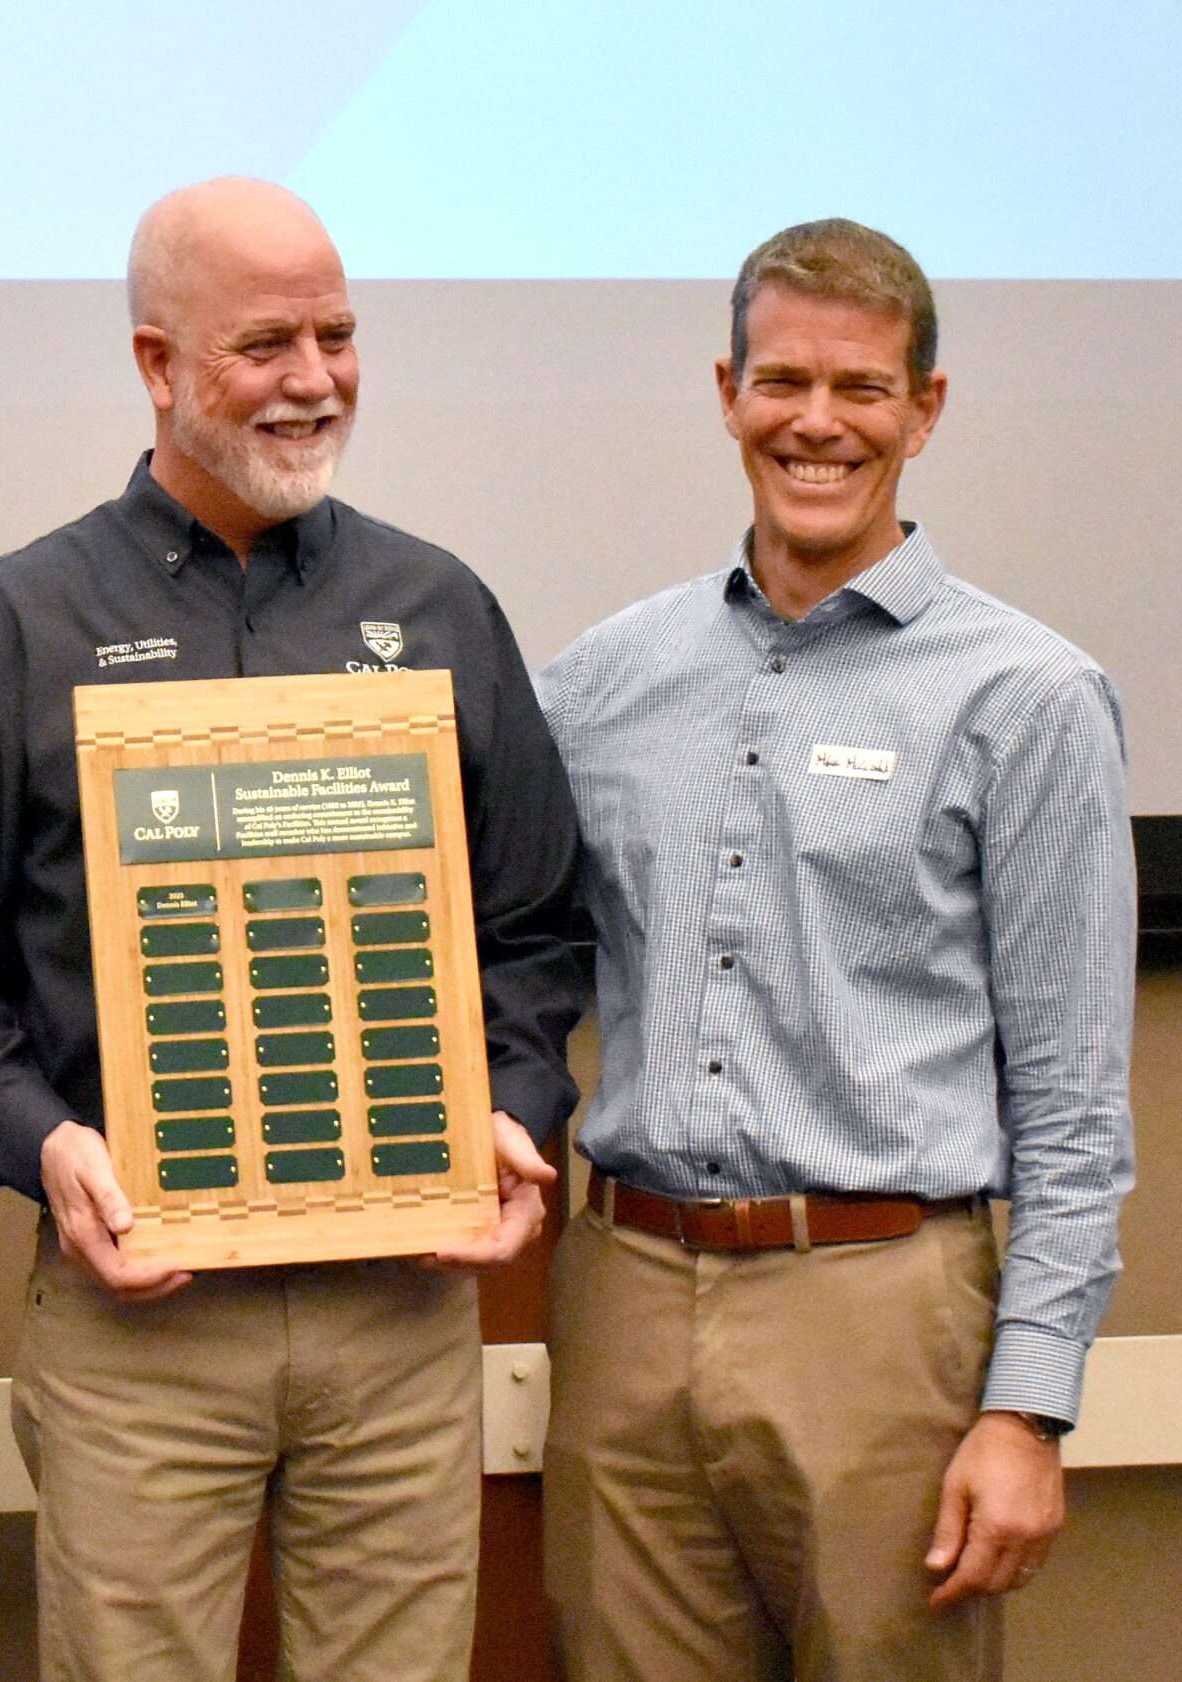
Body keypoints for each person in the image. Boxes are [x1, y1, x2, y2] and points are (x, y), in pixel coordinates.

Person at [0, 177, 586, 1682]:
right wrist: (47, 1144)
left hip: (403, 1302)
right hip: (147, 1322)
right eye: (265, 343)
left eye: (338, 334)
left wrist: (512, 1105)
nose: (315, 378)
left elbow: (532, 923)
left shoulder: (439, 606)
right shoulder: (21, 621)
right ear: (157, 362)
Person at [537, 218, 1136, 1682]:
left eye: (862, 389)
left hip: (882, 1320)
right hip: (622, 1297)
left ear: (924, 410)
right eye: (783, 379)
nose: (818, 422)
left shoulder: (1032, 697)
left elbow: (1071, 1101)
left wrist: (1028, 1410)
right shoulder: (596, 681)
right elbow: (493, 955)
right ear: (727, 388)